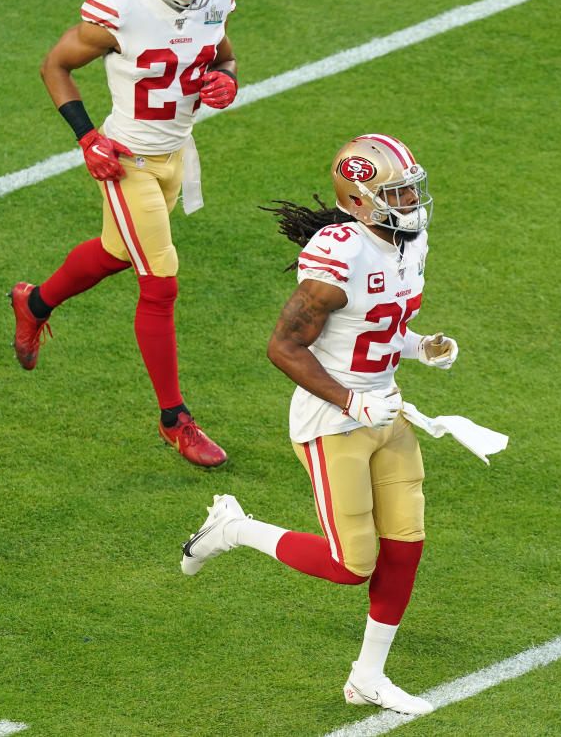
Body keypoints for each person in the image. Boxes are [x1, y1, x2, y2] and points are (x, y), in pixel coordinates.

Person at [178, 134, 459, 715]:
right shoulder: (341, 256)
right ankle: (233, 528)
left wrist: (418, 346)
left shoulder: (411, 243)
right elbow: (284, 347)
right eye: (394, 192)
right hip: (333, 420)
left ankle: (367, 678)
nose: (409, 201)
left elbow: (372, 329)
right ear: (358, 202)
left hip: (388, 408)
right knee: (351, 565)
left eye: (410, 188)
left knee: (406, 543)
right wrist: (353, 405)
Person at [10, 0, 237, 467]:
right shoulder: (122, 6)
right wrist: (87, 138)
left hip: (175, 155)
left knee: (116, 253)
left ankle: (34, 302)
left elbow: (225, 55)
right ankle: (174, 419)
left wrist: (226, 80)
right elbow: (55, 65)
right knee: (160, 281)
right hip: (127, 160)